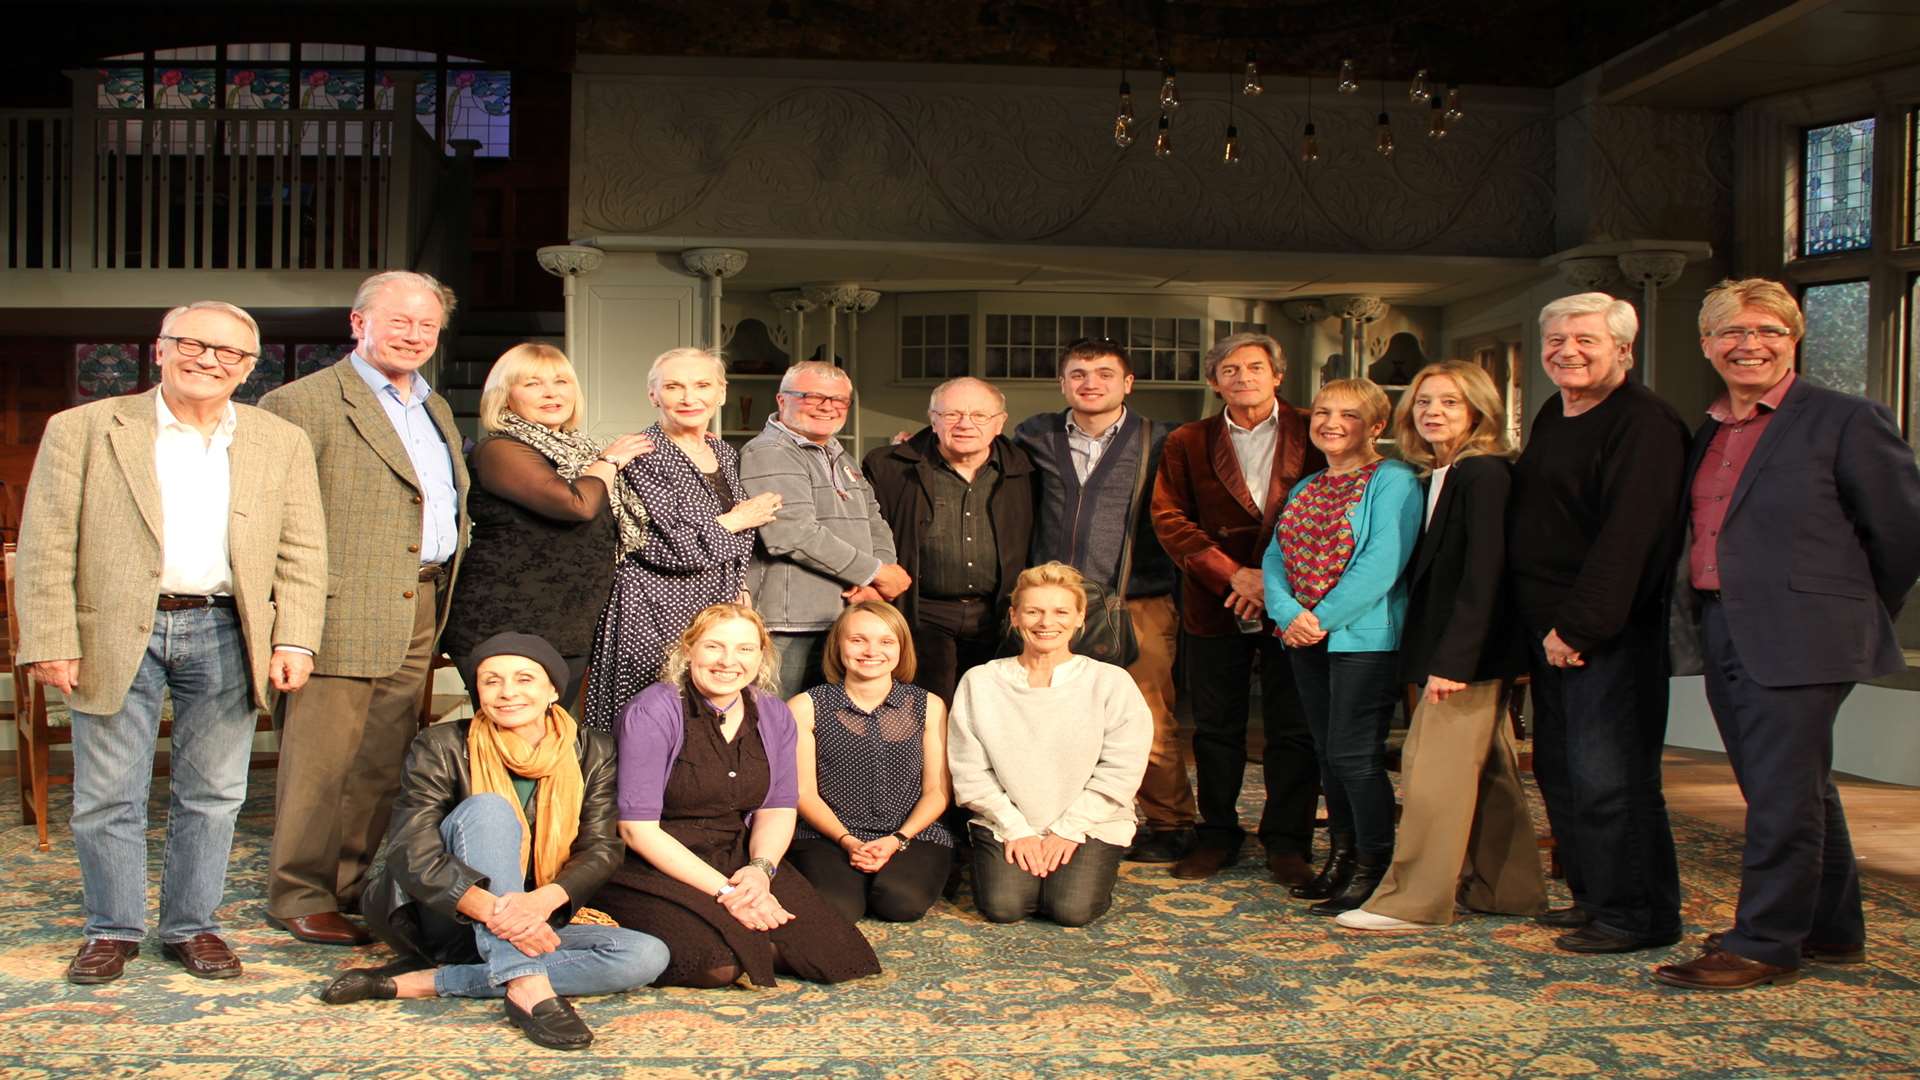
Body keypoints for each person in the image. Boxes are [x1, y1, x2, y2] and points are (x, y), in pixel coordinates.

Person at [16, 302, 326, 985]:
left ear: (249, 367)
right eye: (194, 344)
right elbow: (45, 544)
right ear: (161, 349)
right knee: (107, 794)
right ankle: (112, 929)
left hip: (227, 628)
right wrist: (49, 636)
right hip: (113, 627)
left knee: (214, 793)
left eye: (230, 354)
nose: (209, 361)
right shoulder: (85, 429)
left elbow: (302, 547)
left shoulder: (281, 440)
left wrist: (297, 638)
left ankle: (192, 927)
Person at [1653, 279, 1920, 990]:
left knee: (1779, 793)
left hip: (1806, 633)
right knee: (1795, 788)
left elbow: (1900, 535)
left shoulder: (1845, 418)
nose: (1751, 345)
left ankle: (1764, 942)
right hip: (1724, 625)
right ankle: (1832, 931)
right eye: (1733, 333)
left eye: (1768, 330)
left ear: (1792, 338)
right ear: (1708, 345)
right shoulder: (1708, 428)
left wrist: (1844, 609)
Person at [320, 634, 669, 1050]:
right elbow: (408, 848)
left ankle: (424, 982)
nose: (508, 693)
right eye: (492, 681)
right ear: (478, 690)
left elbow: (601, 847)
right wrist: (492, 910)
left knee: (646, 956)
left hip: (530, 916)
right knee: (489, 810)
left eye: (524, 679)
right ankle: (526, 985)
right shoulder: (441, 744)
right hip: (442, 915)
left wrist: (537, 904)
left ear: (553, 689)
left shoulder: (593, 750)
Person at [261, 270, 470, 947]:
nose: (413, 335)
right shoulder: (304, 403)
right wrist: (287, 623)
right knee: (323, 762)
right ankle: (298, 892)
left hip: (419, 601)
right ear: (359, 324)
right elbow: (272, 522)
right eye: (399, 321)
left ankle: (346, 888)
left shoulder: (433, 407)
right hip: (337, 608)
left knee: (381, 760)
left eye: (426, 326)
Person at [1334, 362, 1545, 932]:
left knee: (1432, 778)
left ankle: (1413, 902)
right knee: (1491, 773)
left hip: (1466, 657)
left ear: (1479, 411)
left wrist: (1453, 662)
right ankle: (1509, 891)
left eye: (1450, 403)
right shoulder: (1437, 475)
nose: (1433, 412)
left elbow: (1486, 576)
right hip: (1447, 651)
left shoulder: (1484, 474)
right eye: (1424, 402)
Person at [1509, 291, 1688, 955]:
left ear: (1623, 349)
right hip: (1550, 628)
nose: (1568, 351)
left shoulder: (1645, 423)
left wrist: (1579, 627)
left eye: (1585, 339)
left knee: (1613, 779)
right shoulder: (1557, 410)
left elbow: (1631, 538)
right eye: (1556, 339)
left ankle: (1638, 915)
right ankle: (1593, 899)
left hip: (1605, 634)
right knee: (1563, 772)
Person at [596, 604, 881, 987]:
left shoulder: (774, 714)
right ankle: (733, 940)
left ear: (761, 656)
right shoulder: (653, 711)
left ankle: (745, 937)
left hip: (736, 854)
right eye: (714, 647)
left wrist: (759, 872)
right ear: (689, 650)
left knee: (838, 955)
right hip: (652, 861)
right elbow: (637, 831)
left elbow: (778, 808)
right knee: (717, 966)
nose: (728, 661)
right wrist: (726, 892)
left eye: (745, 649)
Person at [1150, 332, 1323, 885]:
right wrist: (1235, 574)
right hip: (1215, 599)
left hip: (1297, 600)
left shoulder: (1314, 428)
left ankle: (1288, 842)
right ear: (1214, 381)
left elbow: (1336, 505)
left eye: (1254, 367)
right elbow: (1169, 519)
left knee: (1292, 727)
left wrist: (1273, 584)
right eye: (1230, 369)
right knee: (1215, 727)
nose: (1243, 377)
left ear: (1278, 375)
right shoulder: (1187, 439)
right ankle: (1218, 834)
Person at [1013, 338, 1194, 865]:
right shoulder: (1034, 435)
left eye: (1104, 373)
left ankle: (1170, 822)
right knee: (1050, 717)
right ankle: (1063, 816)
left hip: (1136, 599)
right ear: (1062, 383)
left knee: (1148, 718)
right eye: (1078, 373)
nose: (1090, 382)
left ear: (1127, 383)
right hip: (1051, 606)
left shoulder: (1161, 439)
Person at [1263, 378, 1421, 916]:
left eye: (1348, 415)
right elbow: (1274, 557)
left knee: (1356, 758)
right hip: (1304, 639)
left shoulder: (1394, 480)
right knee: (1329, 757)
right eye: (1323, 412)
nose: (1331, 422)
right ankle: (1342, 858)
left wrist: (1319, 619)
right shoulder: (1307, 486)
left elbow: (1383, 563)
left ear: (1376, 426)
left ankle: (1374, 868)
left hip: (1364, 642)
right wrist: (1288, 615)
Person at [581, 348, 781, 731]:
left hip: (715, 606)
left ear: (721, 392)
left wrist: (739, 585)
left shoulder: (723, 450)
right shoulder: (643, 453)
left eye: (702, 385)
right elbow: (671, 546)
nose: (689, 398)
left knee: (706, 721)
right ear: (653, 395)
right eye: (674, 387)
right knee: (650, 719)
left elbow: (734, 540)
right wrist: (737, 519)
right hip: (653, 609)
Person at [444, 344, 652, 709]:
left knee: (550, 741)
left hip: (571, 622)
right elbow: (578, 504)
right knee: (510, 739)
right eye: (533, 383)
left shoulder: (581, 451)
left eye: (561, 382)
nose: (552, 392)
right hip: (506, 621)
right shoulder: (500, 450)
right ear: (505, 397)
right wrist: (612, 460)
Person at [947, 562, 1151, 927]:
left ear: (1079, 618)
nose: (1046, 623)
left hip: (1089, 820)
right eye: (1034, 611)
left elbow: (1122, 770)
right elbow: (969, 770)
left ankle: (1072, 872)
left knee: (1070, 910)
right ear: (1015, 616)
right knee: (1004, 907)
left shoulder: (1111, 682)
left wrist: (1066, 830)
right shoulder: (981, 681)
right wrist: (1017, 829)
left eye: (1060, 612)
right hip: (1007, 820)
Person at [863, 376, 1035, 705]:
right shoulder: (888, 467)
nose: (965, 424)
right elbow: (864, 530)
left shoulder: (1027, 471)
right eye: (952, 414)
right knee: (926, 711)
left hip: (998, 614)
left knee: (989, 712)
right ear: (932, 418)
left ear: (1000, 423)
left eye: (979, 415)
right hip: (921, 612)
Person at [741, 361, 910, 694]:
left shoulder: (837, 454)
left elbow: (874, 520)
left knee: (822, 730)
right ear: (781, 400)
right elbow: (791, 534)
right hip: (790, 628)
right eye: (811, 396)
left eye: (838, 400)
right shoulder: (770, 453)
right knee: (780, 724)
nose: (827, 407)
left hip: (841, 616)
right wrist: (873, 574)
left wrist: (877, 583)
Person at [786, 601, 953, 923]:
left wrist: (897, 839)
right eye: (858, 639)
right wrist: (847, 841)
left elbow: (937, 791)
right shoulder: (806, 706)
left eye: (886, 641)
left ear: (902, 649)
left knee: (899, 903)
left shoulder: (929, 705)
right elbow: (804, 793)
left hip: (911, 834)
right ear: (838, 645)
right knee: (838, 909)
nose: (871, 650)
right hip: (828, 834)